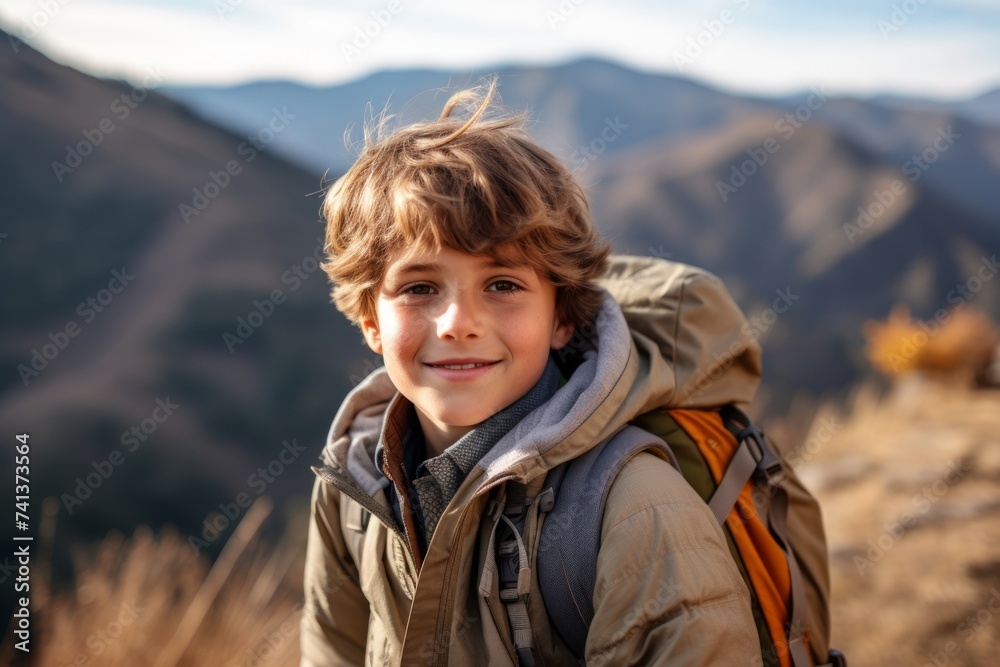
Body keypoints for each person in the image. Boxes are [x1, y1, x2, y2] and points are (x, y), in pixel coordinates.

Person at [300, 79, 762, 666]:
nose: (458, 323)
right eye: (419, 288)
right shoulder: (353, 488)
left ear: (562, 318)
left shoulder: (635, 511)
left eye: (503, 285)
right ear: (370, 320)